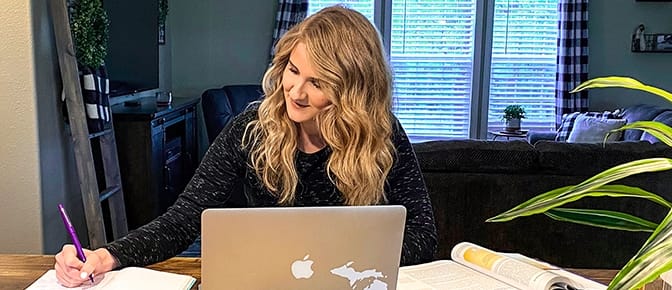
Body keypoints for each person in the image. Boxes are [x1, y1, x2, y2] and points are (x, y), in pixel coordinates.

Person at [53, 5, 437, 287]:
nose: (296, 92)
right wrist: (108, 255)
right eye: (293, 70)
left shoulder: (380, 133)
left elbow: (423, 234)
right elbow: (184, 218)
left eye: (319, 83)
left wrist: (355, 260)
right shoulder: (251, 128)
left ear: (352, 91)